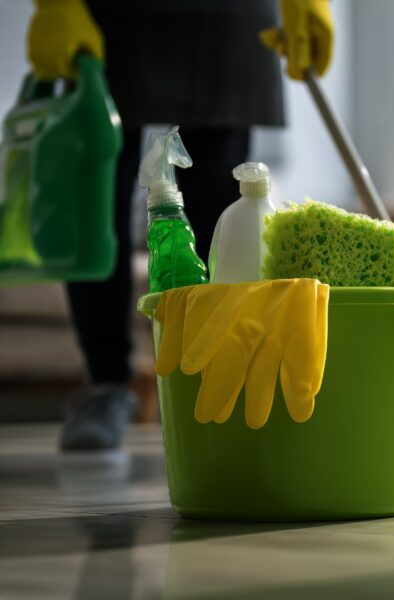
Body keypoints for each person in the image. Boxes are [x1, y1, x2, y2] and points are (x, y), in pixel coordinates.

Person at [26, 0, 334, 450]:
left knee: (224, 204)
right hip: (107, 15)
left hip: (228, 17)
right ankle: (106, 384)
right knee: (97, 191)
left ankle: (218, 374)